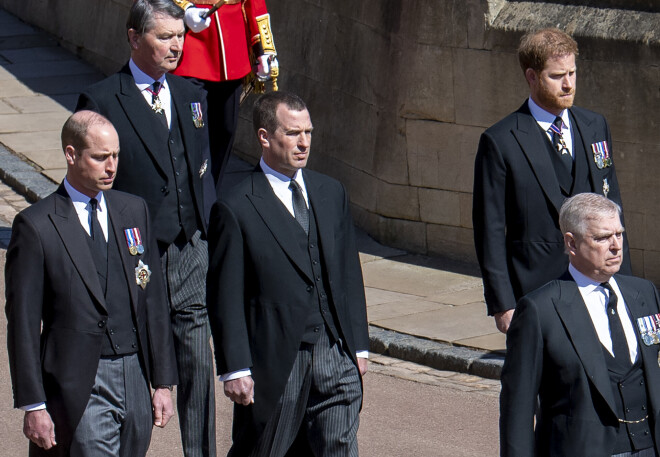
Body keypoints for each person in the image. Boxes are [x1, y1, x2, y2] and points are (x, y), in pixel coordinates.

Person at [75, 1, 216, 455]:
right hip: (136, 253)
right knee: (136, 366)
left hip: (189, 248)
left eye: (180, 36)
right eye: (164, 37)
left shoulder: (192, 94)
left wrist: (205, 232)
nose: (176, 45)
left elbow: (201, 171)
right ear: (135, 38)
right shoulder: (102, 99)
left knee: (197, 359)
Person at [5, 111, 178, 457]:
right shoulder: (36, 226)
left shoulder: (133, 210)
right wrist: (34, 404)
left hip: (134, 374)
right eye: (100, 157)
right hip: (80, 382)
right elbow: (23, 323)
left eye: (115, 155)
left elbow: (154, 302)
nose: (111, 166)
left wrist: (162, 382)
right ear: (71, 155)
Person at [206, 91, 369, 456]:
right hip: (278, 359)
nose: (304, 142)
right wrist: (234, 368)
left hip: (334, 354)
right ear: (265, 137)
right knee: (265, 449)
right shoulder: (235, 207)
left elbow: (347, 274)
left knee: (339, 446)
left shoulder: (331, 193)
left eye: (308, 132)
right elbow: (225, 296)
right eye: (293, 133)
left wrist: (357, 344)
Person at [472, 27, 631, 334]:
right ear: (532, 76)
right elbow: (489, 229)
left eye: (572, 73)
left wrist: (623, 281)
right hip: (535, 289)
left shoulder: (594, 126)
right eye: (557, 76)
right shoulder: (501, 141)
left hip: (597, 284)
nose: (568, 84)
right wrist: (502, 303)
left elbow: (614, 208)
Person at [500, 193, 660, 457]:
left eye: (619, 234)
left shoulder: (644, 294)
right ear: (571, 243)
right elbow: (517, 407)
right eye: (602, 238)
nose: (616, 246)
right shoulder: (540, 310)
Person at [172, 0, 278, 196]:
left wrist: (263, 49)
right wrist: (183, 9)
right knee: (192, 132)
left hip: (232, 48)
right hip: (191, 45)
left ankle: (210, 201)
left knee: (224, 131)